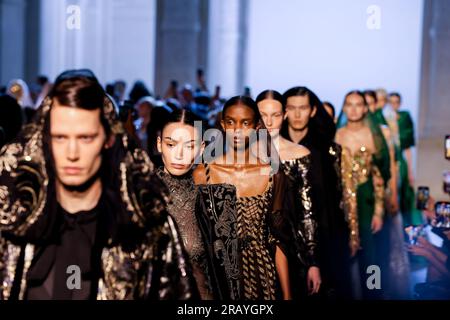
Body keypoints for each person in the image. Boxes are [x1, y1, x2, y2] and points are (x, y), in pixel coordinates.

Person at [0, 69, 197, 300]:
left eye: (86, 138)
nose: (72, 153)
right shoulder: (12, 222)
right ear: (44, 140)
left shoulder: (147, 228)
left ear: (108, 140)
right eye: (60, 137)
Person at [194, 96, 298, 300]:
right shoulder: (202, 173)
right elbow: (198, 237)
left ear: (256, 126)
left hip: (262, 275)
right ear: (223, 125)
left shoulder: (273, 175)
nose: (238, 130)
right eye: (231, 122)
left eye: (245, 123)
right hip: (219, 275)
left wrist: (287, 295)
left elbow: (278, 239)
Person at [281, 87, 351, 299]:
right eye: (292, 108)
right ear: (284, 111)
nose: (297, 114)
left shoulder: (326, 150)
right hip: (282, 234)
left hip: (322, 233)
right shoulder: (272, 146)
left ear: (312, 111)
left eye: (302, 108)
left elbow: (334, 198)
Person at [256, 90, 320, 297]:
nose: (269, 121)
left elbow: (307, 212)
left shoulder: (300, 154)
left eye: (275, 115)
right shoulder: (241, 155)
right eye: (263, 115)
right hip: (252, 248)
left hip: (292, 247)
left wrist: (313, 262)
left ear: (284, 115)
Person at [155, 109, 212, 299]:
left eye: (189, 146)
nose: (179, 154)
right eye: (171, 144)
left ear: (202, 148)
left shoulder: (211, 195)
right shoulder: (141, 193)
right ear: (159, 144)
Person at [335, 91, 386, 299]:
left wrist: (379, 211)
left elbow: (379, 175)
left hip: (367, 197)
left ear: (365, 108)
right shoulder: (338, 135)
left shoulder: (372, 135)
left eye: (358, 104)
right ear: (344, 108)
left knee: (372, 255)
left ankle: (374, 294)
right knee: (344, 250)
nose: (354, 109)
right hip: (342, 199)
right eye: (349, 104)